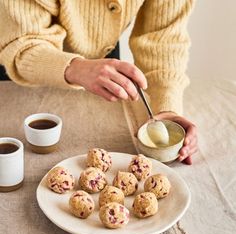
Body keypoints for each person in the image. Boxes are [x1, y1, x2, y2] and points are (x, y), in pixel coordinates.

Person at [0, 0, 197, 164]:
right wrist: (74, 67)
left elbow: (163, 38)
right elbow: (22, 42)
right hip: (22, 63)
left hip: (102, 65)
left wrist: (167, 106)